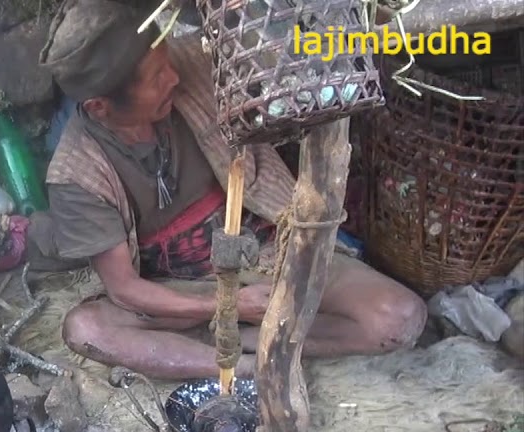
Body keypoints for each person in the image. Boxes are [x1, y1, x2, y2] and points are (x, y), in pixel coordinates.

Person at [28, 0, 426, 380]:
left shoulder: (201, 61)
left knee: (398, 318)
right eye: (156, 78)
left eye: (166, 61)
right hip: (182, 290)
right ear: (100, 107)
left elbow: (273, 46)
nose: (174, 78)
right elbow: (126, 289)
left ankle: (256, 339)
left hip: (275, 256)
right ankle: (239, 367)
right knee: (85, 329)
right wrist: (226, 304)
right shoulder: (76, 175)